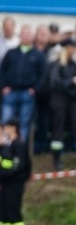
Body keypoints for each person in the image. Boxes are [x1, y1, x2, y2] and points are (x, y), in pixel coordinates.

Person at [0, 25, 46, 142]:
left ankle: (21, 150)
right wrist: (4, 86)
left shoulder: (38, 55)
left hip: (27, 93)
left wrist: (35, 89)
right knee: (6, 121)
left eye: (28, 34)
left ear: (32, 37)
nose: (26, 37)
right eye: (23, 34)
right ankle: (6, 147)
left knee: (24, 123)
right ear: (19, 36)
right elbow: (2, 71)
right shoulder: (11, 53)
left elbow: (43, 75)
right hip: (10, 92)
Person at [0, 118, 31, 225]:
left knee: (13, 210)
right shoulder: (8, 144)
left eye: (6, 127)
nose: (5, 130)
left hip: (14, 183)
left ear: (13, 128)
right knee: (4, 210)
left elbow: (20, 165)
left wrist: (3, 173)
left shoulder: (19, 144)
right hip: (5, 182)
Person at [45, 38, 76, 171]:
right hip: (59, 101)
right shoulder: (57, 64)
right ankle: (56, 159)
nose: (73, 50)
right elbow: (54, 83)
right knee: (58, 130)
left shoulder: (73, 64)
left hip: (72, 100)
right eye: (71, 47)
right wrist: (71, 82)